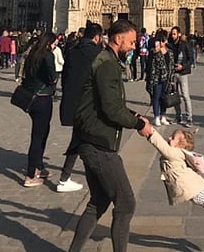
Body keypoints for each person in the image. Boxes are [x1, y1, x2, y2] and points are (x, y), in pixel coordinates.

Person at [68, 20, 152, 252]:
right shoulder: (106, 64)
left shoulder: (108, 61)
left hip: (92, 139)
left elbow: (112, 103)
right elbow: (110, 108)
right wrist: (137, 124)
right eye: (132, 42)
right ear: (117, 39)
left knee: (99, 202)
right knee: (126, 205)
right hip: (98, 143)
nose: (135, 46)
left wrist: (135, 115)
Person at [57, 21, 103, 193]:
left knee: (79, 138)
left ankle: (66, 177)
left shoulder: (72, 50)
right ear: (97, 37)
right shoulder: (97, 53)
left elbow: (65, 77)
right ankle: (67, 178)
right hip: (89, 103)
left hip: (72, 102)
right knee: (91, 139)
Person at [21, 32, 58, 187]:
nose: (56, 45)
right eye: (55, 43)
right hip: (42, 99)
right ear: (49, 43)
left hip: (32, 99)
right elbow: (52, 77)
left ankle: (39, 167)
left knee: (41, 133)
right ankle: (30, 175)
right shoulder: (47, 56)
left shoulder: (32, 55)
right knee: (38, 137)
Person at [146, 30, 175, 126]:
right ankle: (156, 117)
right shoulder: (153, 52)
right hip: (156, 78)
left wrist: (172, 79)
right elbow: (150, 65)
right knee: (156, 97)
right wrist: (156, 51)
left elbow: (171, 65)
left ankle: (163, 116)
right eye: (161, 40)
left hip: (167, 78)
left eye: (164, 40)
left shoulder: (170, 52)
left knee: (164, 97)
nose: (163, 42)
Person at [169, 26, 194, 127]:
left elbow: (191, 58)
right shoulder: (169, 45)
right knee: (175, 96)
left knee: (185, 95)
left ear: (179, 34)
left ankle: (189, 118)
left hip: (183, 73)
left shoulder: (185, 44)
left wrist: (182, 66)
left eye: (174, 33)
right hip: (173, 73)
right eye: (172, 33)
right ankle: (178, 116)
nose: (172, 35)